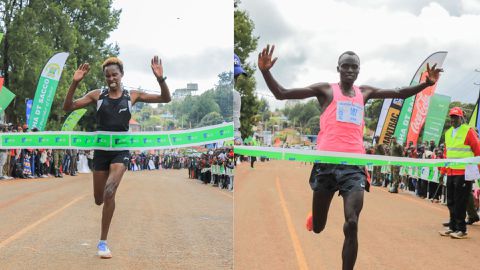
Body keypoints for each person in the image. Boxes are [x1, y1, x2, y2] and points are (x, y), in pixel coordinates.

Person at [258, 44, 442, 269]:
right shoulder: (325, 90)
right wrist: (266, 71)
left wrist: (426, 84)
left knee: (352, 222)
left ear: (358, 71)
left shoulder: (365, 93)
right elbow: (282, 94)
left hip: (354, 166)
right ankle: (315, 217)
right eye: (345, 66)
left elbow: (399, 93)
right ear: (338, 68)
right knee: (318, 227)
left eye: (354, 67)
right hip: (326, 165)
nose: (349, 71)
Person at [63, 56, 171, 258]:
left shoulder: (132, 96)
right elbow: (67, 107)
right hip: (101, 151)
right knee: (98, 199)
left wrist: (160, 78)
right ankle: (104, 210)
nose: (111, 78)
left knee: (110, 191)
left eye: (115, 74)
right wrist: (75, 82)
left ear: (122, 75)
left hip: (121, 151)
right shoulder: (97, 95)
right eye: (108, 75)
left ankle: (103, 242)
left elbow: (165, 99)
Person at [439, 107, 480, 239]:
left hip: (464, 172)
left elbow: (477, 150)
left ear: (461, 118)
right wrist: (442, 171)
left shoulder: (468, 131)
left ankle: (462, 229)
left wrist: (476, 170)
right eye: (451, 117)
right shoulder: (448, 133)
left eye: (456, 117)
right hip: (451, 172)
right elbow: (446, 154)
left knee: (460, 202)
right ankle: (452, 227)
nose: (453, 119)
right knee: (450, 200)